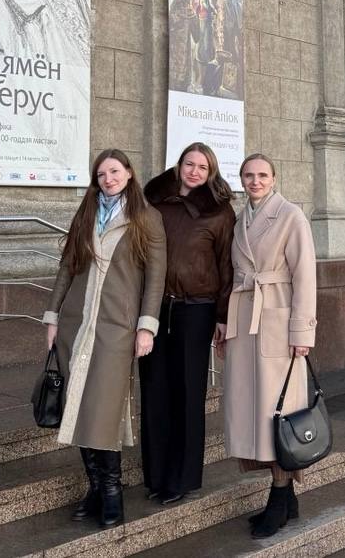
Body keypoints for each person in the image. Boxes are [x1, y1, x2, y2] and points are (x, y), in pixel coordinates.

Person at [42, 149, 166, 528]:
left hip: (117, 326)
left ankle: (112, 490)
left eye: (114, 171)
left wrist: (146, 326)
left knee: (103, 406)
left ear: (129, 173)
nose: (108, 179)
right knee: (77, 403)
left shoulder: (146, 216)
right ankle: (95, 488)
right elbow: (67, 266)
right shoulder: (86, 213)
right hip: (76, 323)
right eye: (101, 174)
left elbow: (155, 276)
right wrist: (53, 316)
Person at [218, 153, 317, 539]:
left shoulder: (291, 215)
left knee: (278, 414)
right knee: (256, 412)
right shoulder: (240, 219)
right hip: (246, 320)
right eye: (248, 175)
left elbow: (305, 275)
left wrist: (302, 332)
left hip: (277, 320)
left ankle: (278, 498)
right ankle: (287, 499)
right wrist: (225, 323)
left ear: (274, 178)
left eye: (262, 175)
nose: (255, 181)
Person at [139, 142, 235, 505]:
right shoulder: (154, 202)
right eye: (189, 164)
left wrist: (223, 315)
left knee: (187, 392)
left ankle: (182, 477)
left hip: (196, 310)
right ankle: (156, 475)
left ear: (211, 173)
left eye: (202, 167)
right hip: (154, 307)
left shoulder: (219, 211)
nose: (194, 171)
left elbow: (227, 266)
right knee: (154, 390)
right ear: (178, 166)